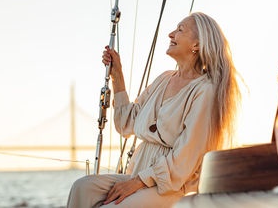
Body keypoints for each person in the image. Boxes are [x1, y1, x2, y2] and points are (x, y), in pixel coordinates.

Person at [67, 12, 241, 208]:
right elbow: (126, 123)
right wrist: (117, 75)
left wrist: (138, 181)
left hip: (172, 185)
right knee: (82, 187)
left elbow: (185, 158)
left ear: (197, 45)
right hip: (140, 174)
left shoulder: (205, 90)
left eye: (180, 30)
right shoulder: (164, 78)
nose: (171, 34)